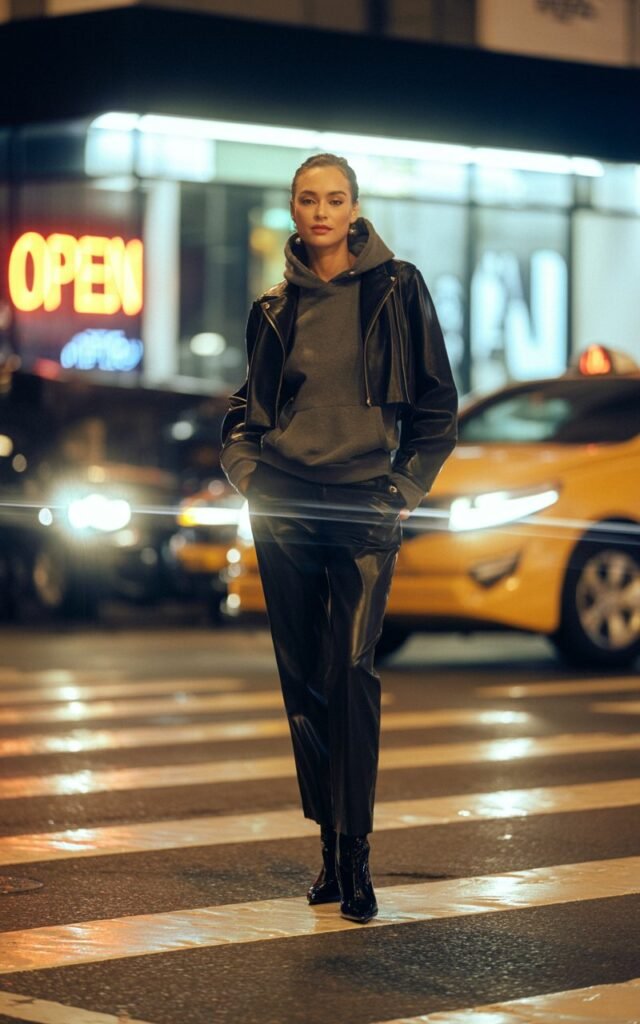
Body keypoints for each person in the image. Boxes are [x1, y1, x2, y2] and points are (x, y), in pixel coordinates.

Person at [220, 153, 457, 923]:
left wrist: (404, 488)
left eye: (335, 199)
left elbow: (436, 405)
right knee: (306, 685)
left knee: (351, 671)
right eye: (307, 199)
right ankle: (326, 853)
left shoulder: (398, 286)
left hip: (363, 502)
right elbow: (242, 412)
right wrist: (248, 473)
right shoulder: (270, 308)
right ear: (292, 210)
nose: (321, 211)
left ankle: (357, 858)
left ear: (354, 208)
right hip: (284, 502)